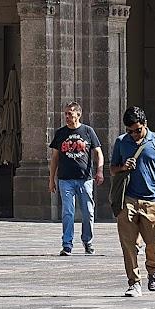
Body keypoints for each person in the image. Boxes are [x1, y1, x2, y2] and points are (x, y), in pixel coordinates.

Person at [110, 106, 155, 297]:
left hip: (152, 199)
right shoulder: (121, 142)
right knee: (128, 244)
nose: (134, 135)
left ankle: (153, 270)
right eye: (129, 131)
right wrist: (123, 167)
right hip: (127, 199)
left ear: (145, 124)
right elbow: (112, 169)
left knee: (153, 242)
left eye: (137, 130)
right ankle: (134, 282)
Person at [47, 102, 105, 256]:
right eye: (65, 114)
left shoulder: (88, 131)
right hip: (65, 179)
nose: (67, 117)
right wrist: (51, 179)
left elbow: (98, 153)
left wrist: (99, 171)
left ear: (78, 115)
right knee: (68, 212)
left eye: (70, 114)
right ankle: (67, 244)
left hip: (85, 179)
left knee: (88, 212)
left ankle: (88, 241)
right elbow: (54, 158)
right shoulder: (60, 133)